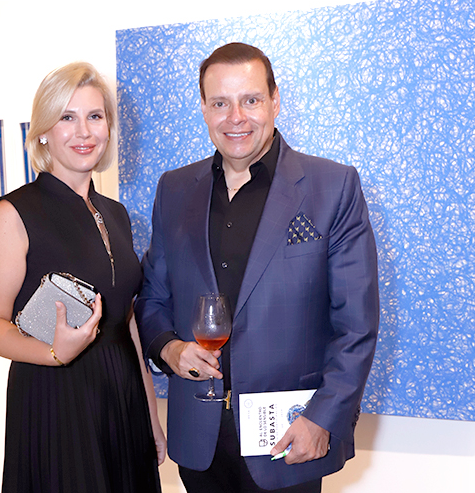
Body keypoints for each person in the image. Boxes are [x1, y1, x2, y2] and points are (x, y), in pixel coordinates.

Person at [135, 42, 379, 493]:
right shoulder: (174, 189)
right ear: (203, 108)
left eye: (250, 100)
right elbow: (152, 297)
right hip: (200, 444)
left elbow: (356, 326)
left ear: (274, 101)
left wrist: (322, 418)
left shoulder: (333, 186)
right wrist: (168, 348)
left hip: (289, 440)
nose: (236, 118)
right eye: (220, 103)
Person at [0, 62, 164, 493]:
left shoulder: (116, 214)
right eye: (67, 117)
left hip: (122, 394)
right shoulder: (12, 213)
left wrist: (151, 415)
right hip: (56, 397)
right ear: (43, 131)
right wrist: (54, 353)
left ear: (108, 127)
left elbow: (125, 320)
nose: (84, 132)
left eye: (95, 116)